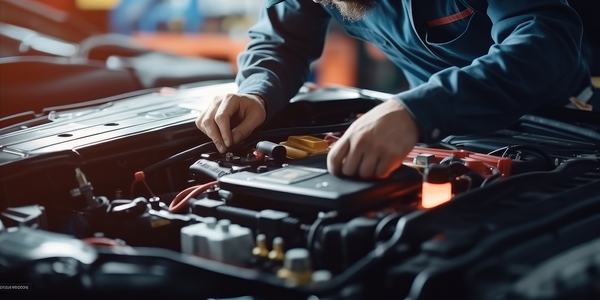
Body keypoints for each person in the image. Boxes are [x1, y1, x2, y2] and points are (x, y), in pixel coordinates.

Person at [196, 0, 597, 179]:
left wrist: (418, 110)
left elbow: (545, 44)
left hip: (566, 124)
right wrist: (255, 91)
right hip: (450, 133)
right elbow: (284, 38)